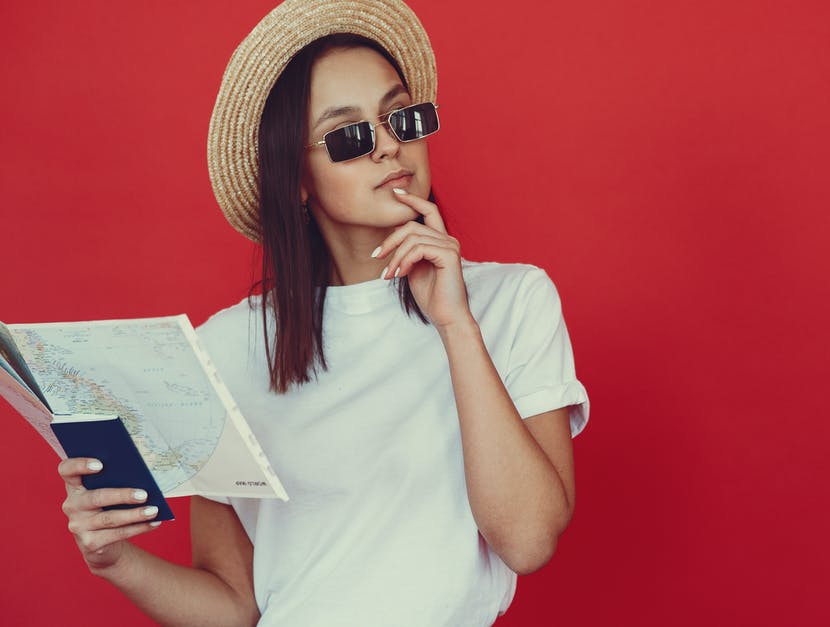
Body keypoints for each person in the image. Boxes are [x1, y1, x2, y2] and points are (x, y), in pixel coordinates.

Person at [54, 1, 590, 624]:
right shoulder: (226, 349)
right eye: (349, 135)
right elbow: (234, 607)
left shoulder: (513, 300)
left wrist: (455, 326)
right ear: (297, 179)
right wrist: (116, 561)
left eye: (400, 117)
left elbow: (527, 542)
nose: (390, 146)